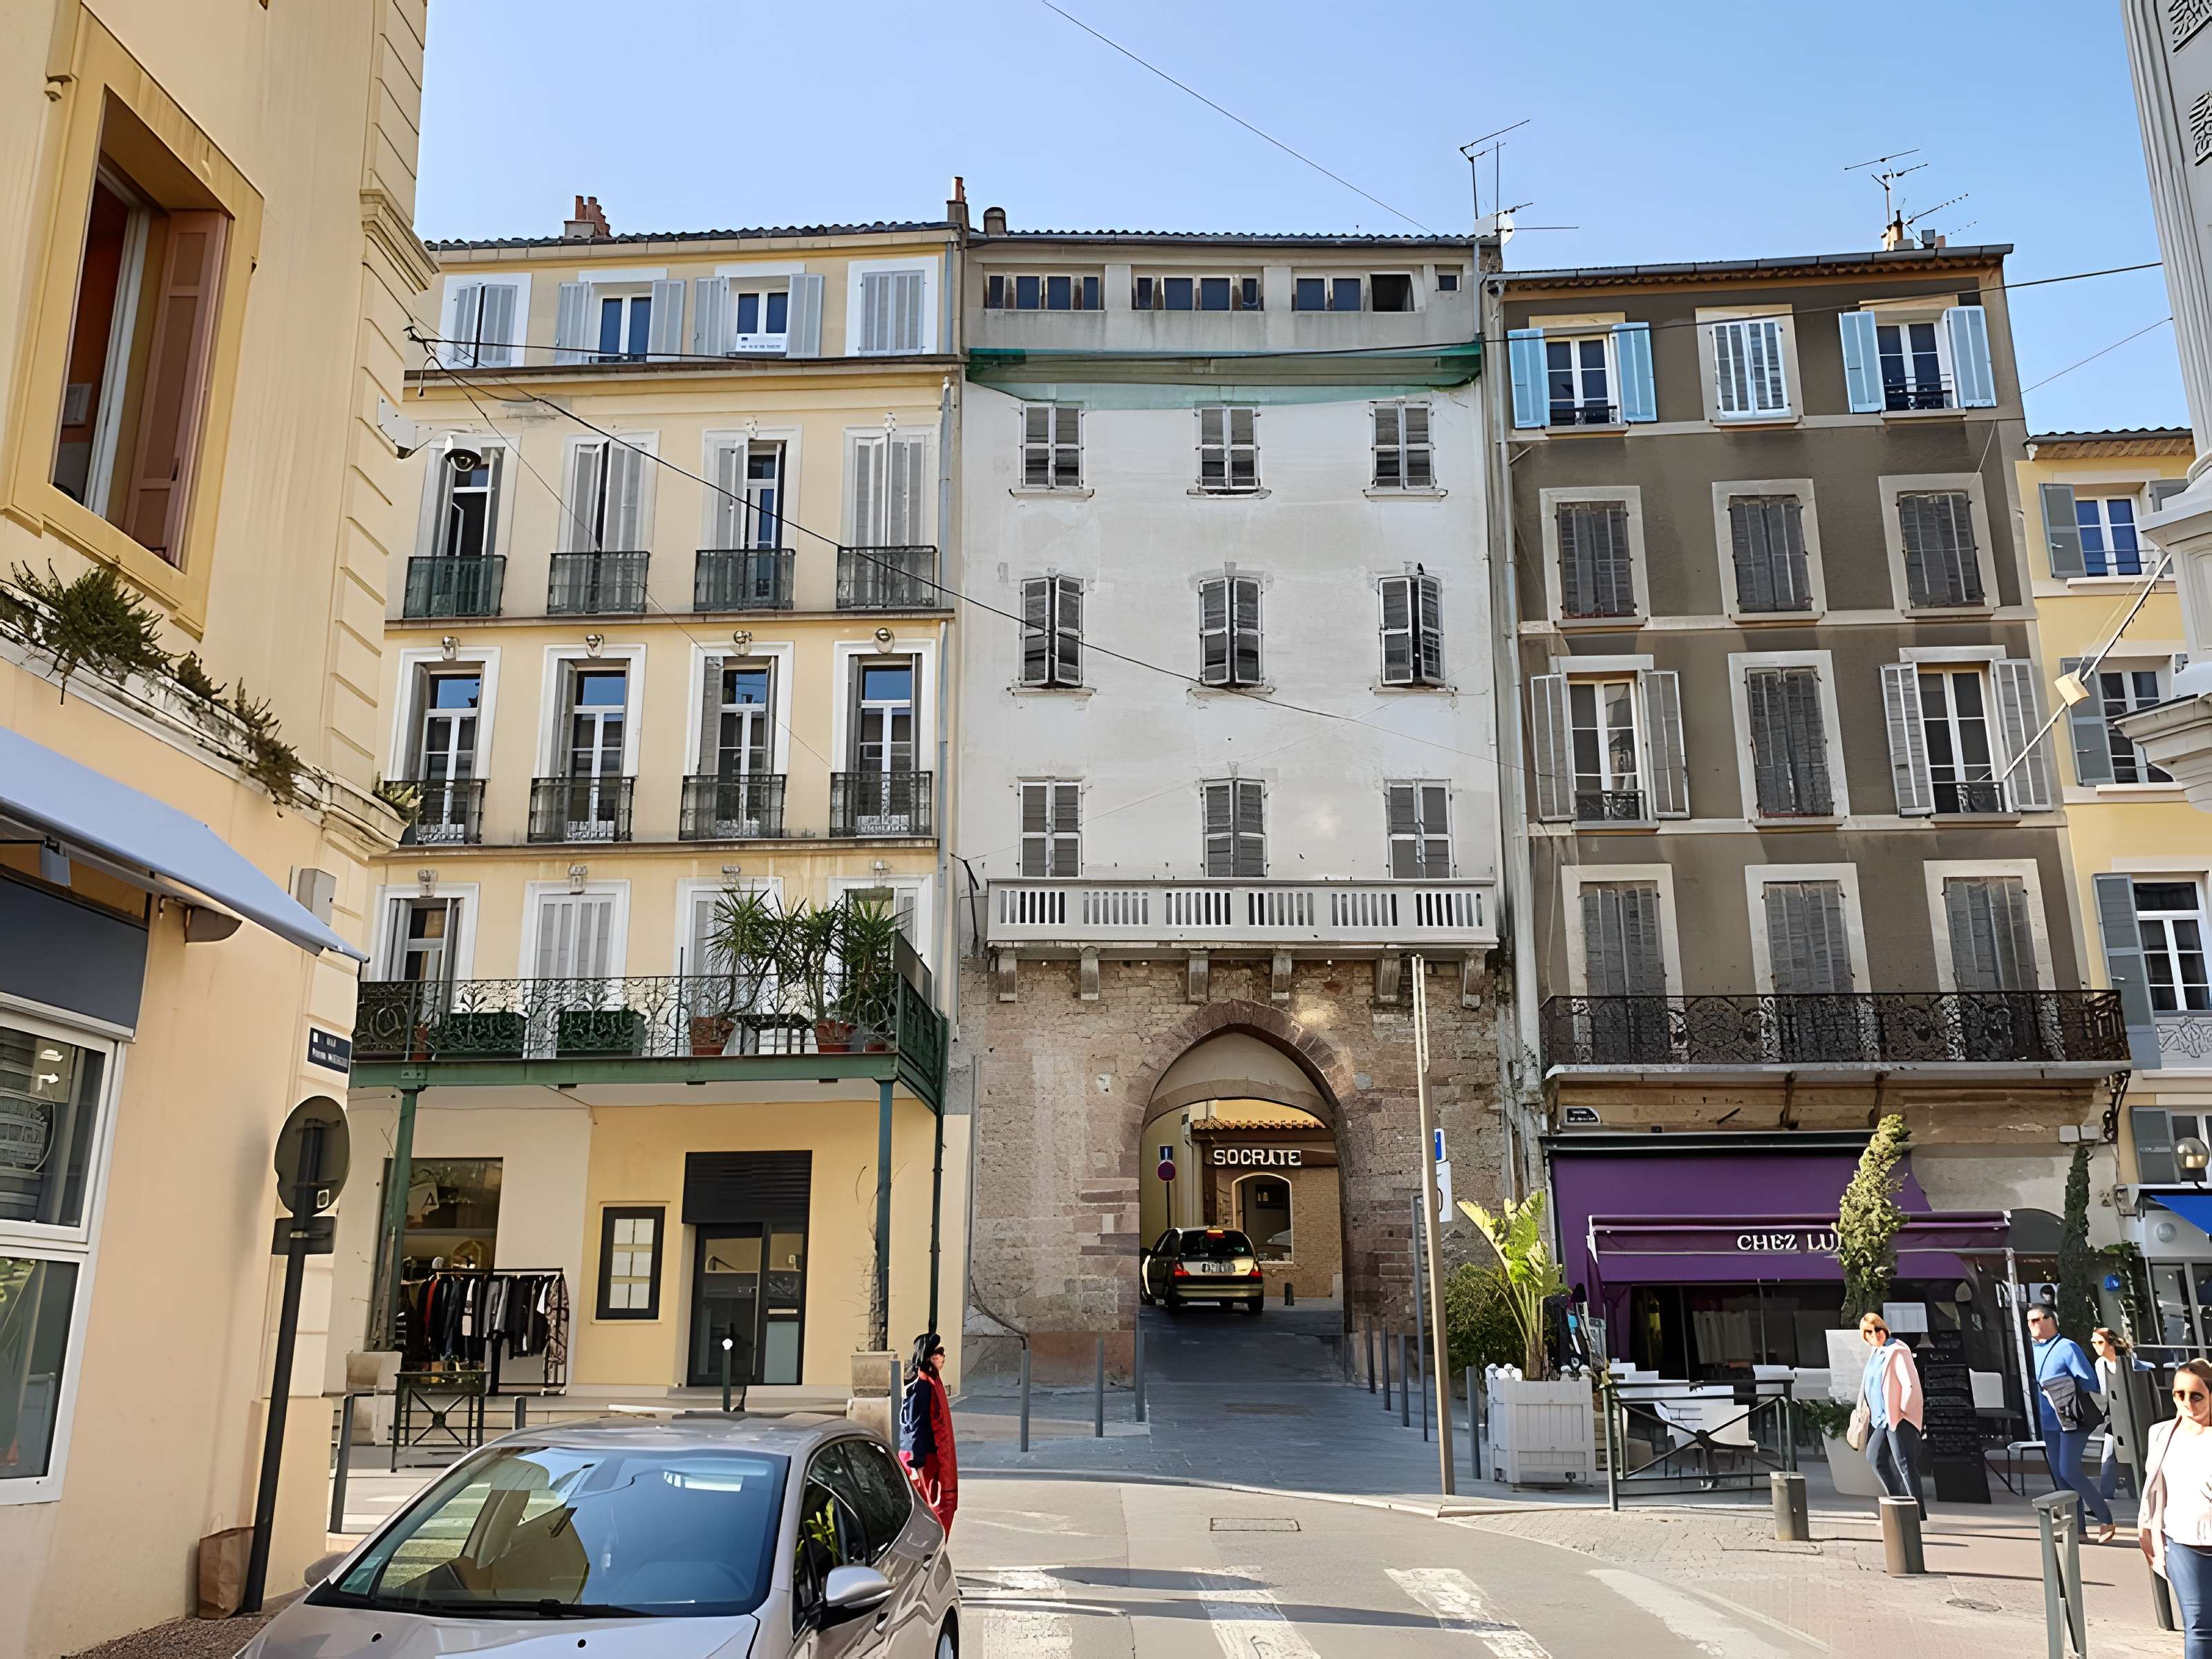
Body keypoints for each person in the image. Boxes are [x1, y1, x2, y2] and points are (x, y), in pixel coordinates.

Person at [2139, 1356, 2212, 1658]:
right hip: (2182, 1541)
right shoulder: (2161, 1434)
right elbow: (2155, 1489)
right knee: (2198, 1626)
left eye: (2196, 1396)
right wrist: (2146, 1528)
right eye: (2179, 1394)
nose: (2187, 1403)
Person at [2029, 1302, 2117, 1541]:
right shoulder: (2030, 1350)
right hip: (2049, 1421)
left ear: (2051, 1321)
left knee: (2070, 1470)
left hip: (2073, 1418)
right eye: (2029, 1321)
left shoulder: (2067, 1347)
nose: (2032, 1325)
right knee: (2060, 1474)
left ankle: (2105, 1519)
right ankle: (2076, 1529)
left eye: (2037, 1320)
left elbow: (2089, 1382)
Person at [1857, 1311, 1927, 1516]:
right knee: (1874, 1456)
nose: (1875, 1334)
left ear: (1884, 1329)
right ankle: (1898, 1502)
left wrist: (1903, 1410)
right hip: (1881, 1419)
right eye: (1869, 1332)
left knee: (1904, 1464)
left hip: (1897, 1417)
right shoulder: (1876, 1353)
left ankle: (1917, 1513)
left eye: (1877, 1329)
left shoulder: (1897, 1350)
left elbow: (1910, 1384)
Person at [897, 1331, 957, 1535]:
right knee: (929, 1505)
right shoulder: (922, 1385)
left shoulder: (929, 1382)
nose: (942, 1358)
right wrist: (917, 1463)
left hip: (928, 1454)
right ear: (928, 1358)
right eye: (937, 1354)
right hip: (922, 1458)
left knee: (933, 1504)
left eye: (942, 1354)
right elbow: (914, 1423)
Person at [2094, 1327, 2155, 1502]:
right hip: (2133, 1412)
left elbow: (2104, 1392)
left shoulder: (2102, 1363)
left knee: (2110, 1455)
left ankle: (2106, 1494)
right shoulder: (2130, 1361)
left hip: (2115, 1413)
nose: (2095, 1346)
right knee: (2128, 1454)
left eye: (2099, 1342)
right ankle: (2135, 1490)